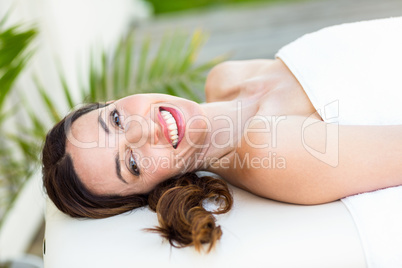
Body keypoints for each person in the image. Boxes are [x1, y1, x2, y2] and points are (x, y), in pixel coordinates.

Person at [42, 17, 402, 252]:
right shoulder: (268, 152)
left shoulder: (226, 79)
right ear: (151, 190)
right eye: (133, 164)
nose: (143, 129)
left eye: (117, 118)